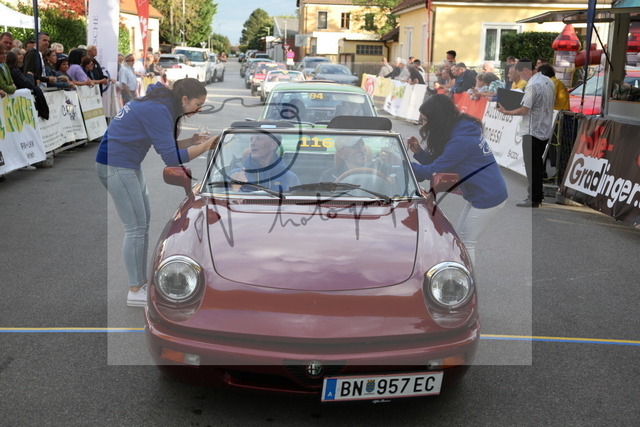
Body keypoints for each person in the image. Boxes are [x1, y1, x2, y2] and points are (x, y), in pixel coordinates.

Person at [95, 78, 219, 307]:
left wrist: (192, 141)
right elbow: (171, 158)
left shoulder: (160, 104)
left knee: (141, 225)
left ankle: (140, 283)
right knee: (135, 227)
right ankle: (135, 289)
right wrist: (206, 145)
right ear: (184, 99)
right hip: (116, 166)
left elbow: (165, 144)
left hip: (125, 165)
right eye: (197, 104)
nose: (198, 109)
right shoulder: (158, 109)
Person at [407, 94, 508, 265]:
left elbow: (434, 171)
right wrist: (419, 153)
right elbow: (440, 164)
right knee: (458, 241)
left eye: (425, 120)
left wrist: (404, 165)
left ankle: (467, 279)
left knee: (466, 244)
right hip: (483, 192)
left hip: (489, 196)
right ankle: (459, 276)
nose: (423, 124)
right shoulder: (460, 127)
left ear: (437, 119)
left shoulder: (461, 140)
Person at [496, 59, 555, 208]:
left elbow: (524, 110)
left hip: (532, 129)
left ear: (525, 70)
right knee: (537, 165)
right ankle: (537, 195)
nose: (521, 77)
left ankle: (533, 198)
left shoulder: (533, 85)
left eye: (520, 74)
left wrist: (507, 112)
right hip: (544, 128)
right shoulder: (548, 81)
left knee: (532, 166)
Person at [229, 132, 300, 192]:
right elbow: (226, 202)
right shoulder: (235, 175)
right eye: (251, 139)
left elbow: (296, 203)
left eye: (259, 139)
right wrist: (234, 189)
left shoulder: (290, 178)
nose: (252, 143)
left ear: (273, 144)